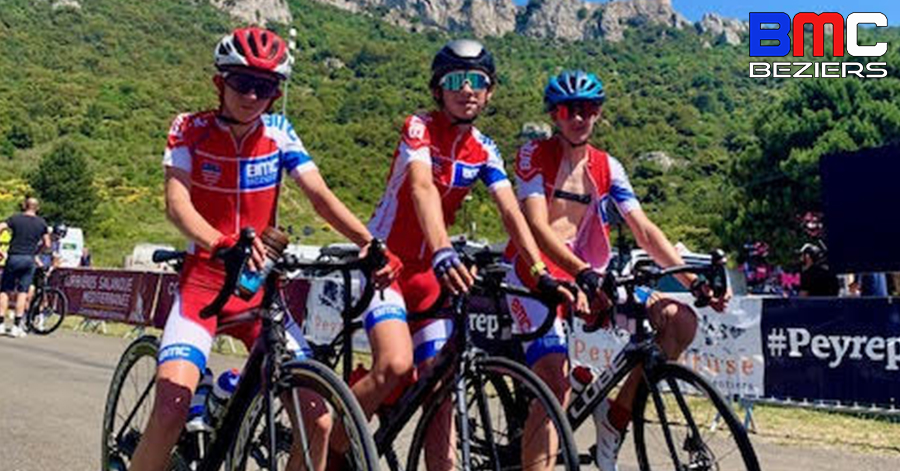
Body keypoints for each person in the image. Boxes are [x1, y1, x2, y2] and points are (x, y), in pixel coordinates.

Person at [129, 26, 398, 471]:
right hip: (205, 289)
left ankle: (220, 403)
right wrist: (220, 244)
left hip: (259, 291)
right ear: (220, 81)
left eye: (265, 87)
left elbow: (320, 196)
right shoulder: (189, 128)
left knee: (319, 423)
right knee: (171, 412)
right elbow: (177, 204)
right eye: (241, 82)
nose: (252, 96)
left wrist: (370, 244)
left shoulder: (280, 132)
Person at [335, 39, 571, 469]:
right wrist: (444, 249)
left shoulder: (484, 148)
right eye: (457, 81)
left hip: (430, 278)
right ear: (438, 89)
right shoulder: (419, 127)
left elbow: (511, 212)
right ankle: (331, 444)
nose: (468, 91)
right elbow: (422, 186)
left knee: (442, 395)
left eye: (478, 82)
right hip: (386, 268)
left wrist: (540, 269)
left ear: (490, 91)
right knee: (392, 365)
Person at [503, 70, 731, 471]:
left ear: (599, 114)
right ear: (554, 115)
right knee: (554, 387)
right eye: (568, 109)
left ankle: (614, 419)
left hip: (590, 277)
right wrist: (580, 272)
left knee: (679, 322)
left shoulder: (609, 167)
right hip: (534, 276)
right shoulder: (533, 154)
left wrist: (692, 283)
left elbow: (643, 230)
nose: (579, 117)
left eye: (588, 109)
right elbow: (536, 226)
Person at [0, 197, 50, 338]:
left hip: (14, 256)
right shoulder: (42, 223)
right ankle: (16, 326)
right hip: (29, 258)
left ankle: (1, 324)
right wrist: (37, 252)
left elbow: (1, 227)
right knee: (23, 292)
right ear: (37, 208)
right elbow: (47, 244)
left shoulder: (15, 219)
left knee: (5, 290)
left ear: (24, 206)